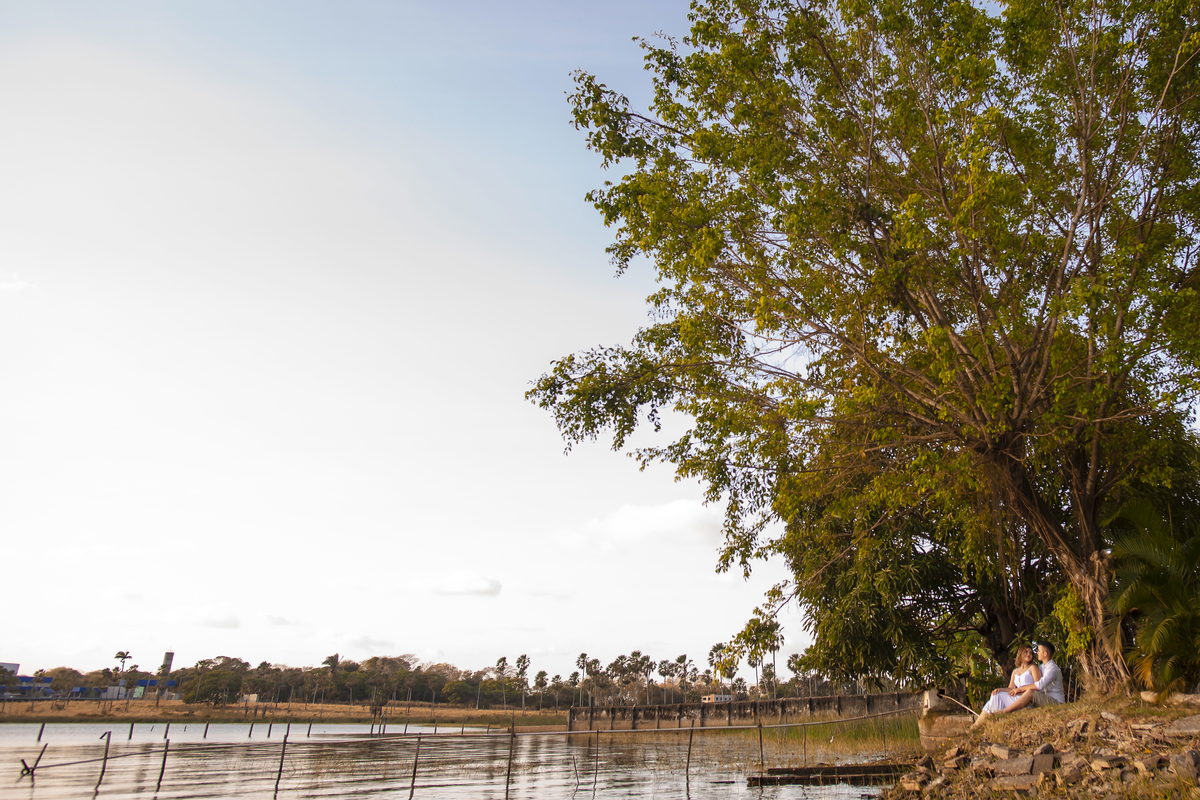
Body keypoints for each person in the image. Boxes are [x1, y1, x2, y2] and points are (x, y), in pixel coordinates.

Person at [971, 644, 1041, 728]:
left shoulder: (1033, 668)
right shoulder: (1015, 671)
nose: (1029, 654)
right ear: (1020, 654)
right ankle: (979, 725)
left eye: (1030, 653)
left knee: (996, 698)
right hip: (1014, 697)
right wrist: (1000, 689)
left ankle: (981, 725)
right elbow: (1011, 688)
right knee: (995, 694)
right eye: (1026, 652)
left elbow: (1038, 686)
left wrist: (1020, 690)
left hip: (1024, 698)